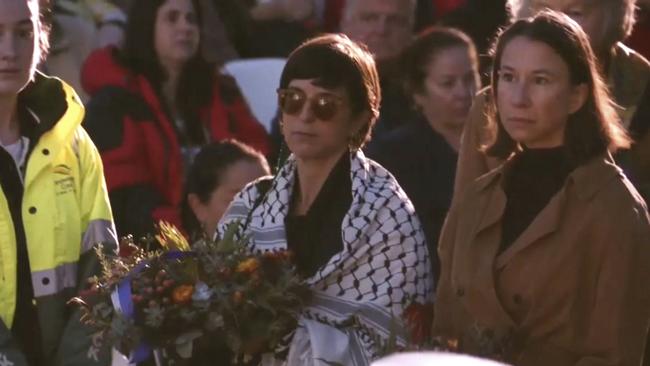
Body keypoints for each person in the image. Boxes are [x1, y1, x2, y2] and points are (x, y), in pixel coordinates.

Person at [434, 11, 650, 365]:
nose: (518, 98)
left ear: (577, 96)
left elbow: (614, 355)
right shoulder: (480, 195)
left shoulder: (615, 208)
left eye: (541, 80)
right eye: (507, 77)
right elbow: (446, 329)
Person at [217, 34, 433, 365]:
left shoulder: (387, 213)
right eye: (293, 100)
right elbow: (212, 301)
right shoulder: (252, 202)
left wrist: (292, 341)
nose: (305, 116)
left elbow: (397, 339)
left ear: (361, 117)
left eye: (325, 105)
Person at [81, 0, 270, 238]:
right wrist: (187, 234)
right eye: (172, 18)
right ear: (147, 26)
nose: (186, 27)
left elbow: (260, 155)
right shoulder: (114, 103)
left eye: (191, 19)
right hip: (151, 249)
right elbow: (124, 197)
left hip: (234, 233)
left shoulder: (220, 91)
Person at [0, 0, 117, 365]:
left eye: (23, 33)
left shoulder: (75, 144)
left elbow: (101, 269)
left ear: (43, 39)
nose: (9, 50)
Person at [453, 0, 650, 204]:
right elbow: (465, 214)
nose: (554, 25)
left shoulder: (642, 91)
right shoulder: (491, 103)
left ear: (612, 17)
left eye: (575, 13)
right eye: (543, 10)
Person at [367, 27, 480, 277]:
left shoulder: (504, 143)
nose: (463, 93)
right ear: (418, 92)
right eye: (447, 83)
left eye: (470, 78)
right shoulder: (392, 157)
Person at [182, 139, 270, 240]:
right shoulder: (176, 255)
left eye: (264, 198)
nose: (258, 212)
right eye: (239, 200)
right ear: (198, 207)